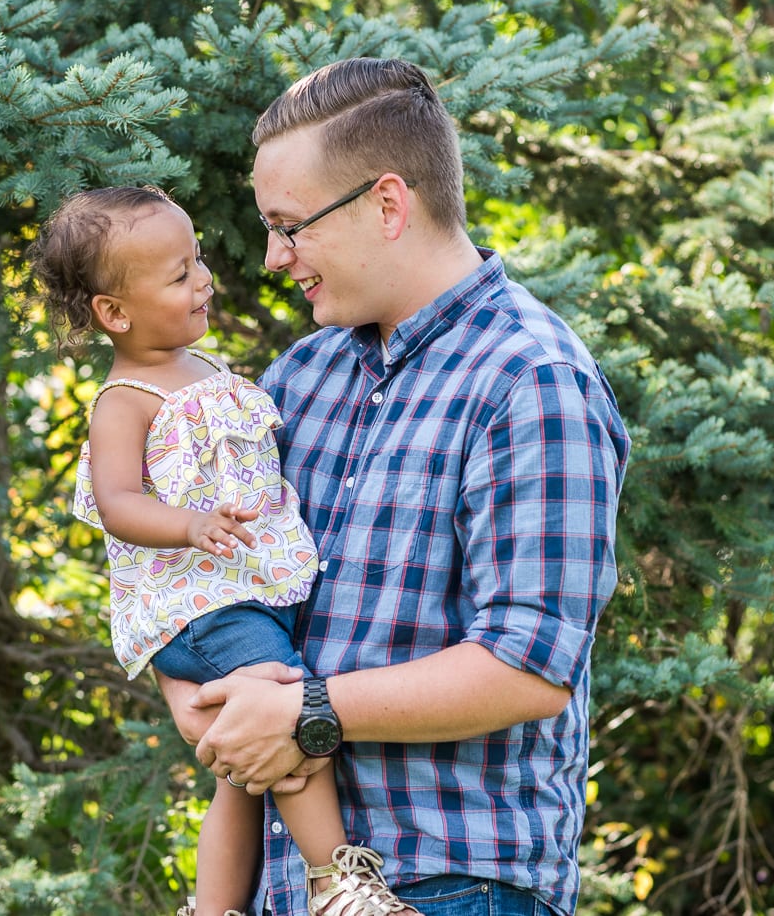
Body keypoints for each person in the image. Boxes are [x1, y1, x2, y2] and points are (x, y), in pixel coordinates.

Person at [159, 57, 630, 916]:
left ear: (387, 204)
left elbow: (528, 667)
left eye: (290, 226)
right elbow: (233, 585)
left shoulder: (531, 379)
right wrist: (201, 698)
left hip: (458, 889)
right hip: (288, 894)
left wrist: (305, 710)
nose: (273, 257)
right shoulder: (301, 377)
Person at [28, 186, 424, 916]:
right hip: (198, 604)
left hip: (236, 591)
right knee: (283, 713)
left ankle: (214, 909)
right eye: (179, 275)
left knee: (243, 769)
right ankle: (336, 884)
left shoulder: (208, 370)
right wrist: (188, 524)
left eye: (199, 260)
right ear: (115, 313)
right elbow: (117, 504)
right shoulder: (126, 398)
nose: (205, 278)